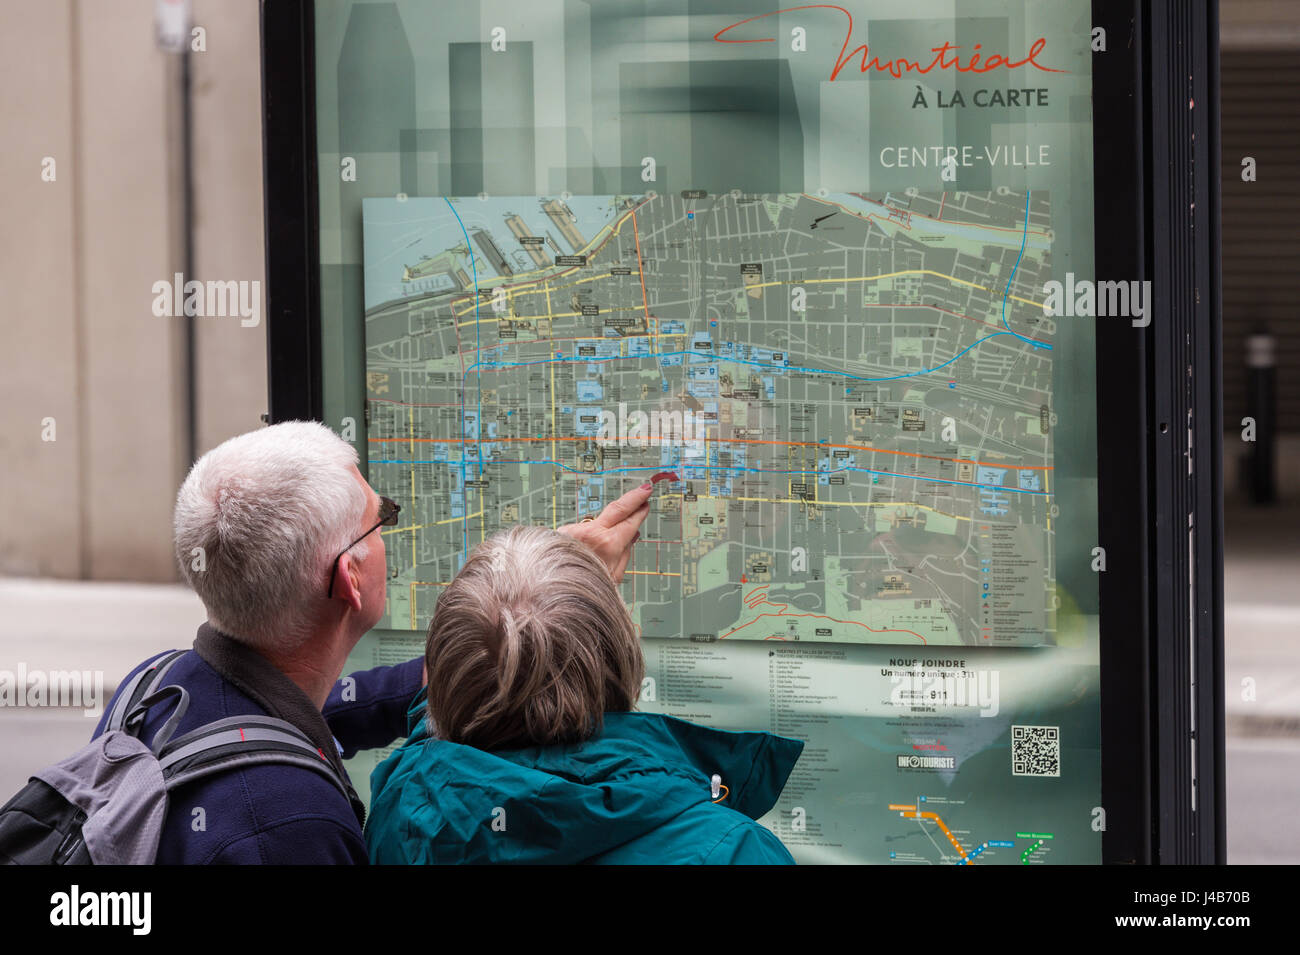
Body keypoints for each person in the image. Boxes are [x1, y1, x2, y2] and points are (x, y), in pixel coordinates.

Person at [92, 420, 651, 863]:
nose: (387, 526)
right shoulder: (291, 829)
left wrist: (537, 607)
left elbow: (325, 712)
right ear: (348, 580)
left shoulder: (156, 688)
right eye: (379, 518)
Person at [365, 523, 804, 864]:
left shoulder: (405, 809)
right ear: (623, 660)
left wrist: (533, 598)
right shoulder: (732, 851)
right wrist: (562, 596)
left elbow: (440, 724)